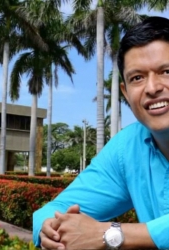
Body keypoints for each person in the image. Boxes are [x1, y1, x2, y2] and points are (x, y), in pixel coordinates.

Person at [33, 16, 169, 250]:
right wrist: (51, 229)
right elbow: (50, 212)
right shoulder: (127, 148)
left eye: (166, 71)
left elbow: (103, 235)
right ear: (125, 93)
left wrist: (110, 235)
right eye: (137, 78)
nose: (152, 88)